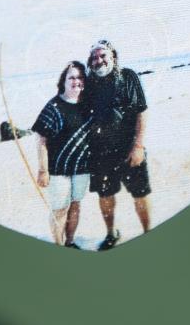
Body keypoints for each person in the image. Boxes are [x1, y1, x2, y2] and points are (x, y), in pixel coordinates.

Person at [85, 40, 150, 250]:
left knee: (140, 194)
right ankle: (111, 234)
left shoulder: (129, 76)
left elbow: (141, 111)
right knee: (105, 197)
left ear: (113, 57)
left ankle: (148, 233)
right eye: (94, 58)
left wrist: (138, 146)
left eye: (102, 56)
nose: (98, 61)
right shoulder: (87, 84)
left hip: (129, 149)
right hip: (99, 154)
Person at [31, 61, 94, 247]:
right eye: (71, 77)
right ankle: (58, 245)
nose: (76, 81)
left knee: (75, 204)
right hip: (58, 169)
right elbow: (41, 139)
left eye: (80, 77)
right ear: (63, 81)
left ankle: (71, 242)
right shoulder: (54, 106)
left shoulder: (88, 105)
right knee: (60, 209)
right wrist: (43, 170)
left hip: (82, 167)